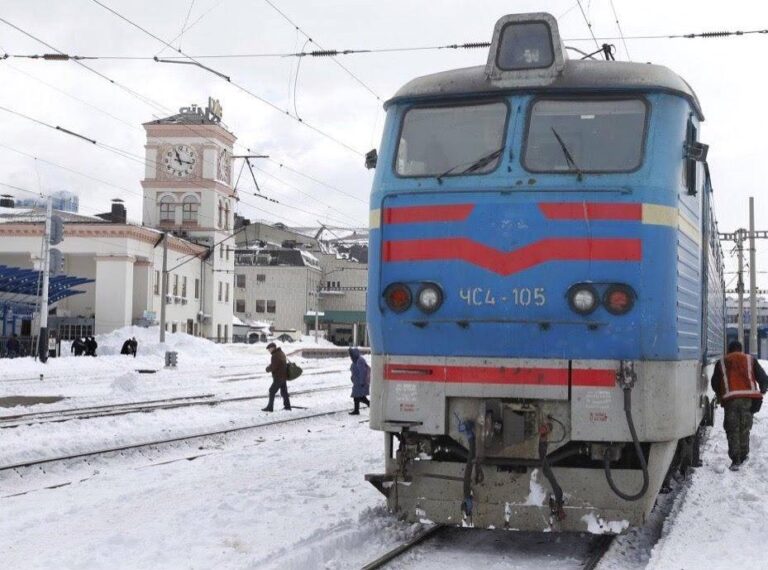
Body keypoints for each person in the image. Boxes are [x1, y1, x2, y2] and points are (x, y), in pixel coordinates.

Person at [710, 340, 768, 470]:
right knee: (744, 427)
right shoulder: (749, 359)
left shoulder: (722, 362)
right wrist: (762, 390)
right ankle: (743, 455)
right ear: (741, 349)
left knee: (732, 429)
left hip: (731, 400)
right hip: (748, 399)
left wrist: (720, 393)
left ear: (729, 350)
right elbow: (763, 378)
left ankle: (735, 459)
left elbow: (714, 382)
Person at [262, 342, 291, 412]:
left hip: (278, 377)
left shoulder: (275, 355)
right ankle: (287, 406)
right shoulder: (281, 353)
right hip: (283, 376)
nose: (269, 351)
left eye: (269, 349)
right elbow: (278, 364)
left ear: (273, 348)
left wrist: (268, 369)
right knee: (284, 392)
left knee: (272, 391)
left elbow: (274, 366)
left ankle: (270, 408)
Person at [348, 347, 371, 415]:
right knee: (358, 397)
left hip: (360, 382)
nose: (351, 356)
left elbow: (362, 372)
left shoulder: (360, 361)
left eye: (351, 354)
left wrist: (361, 382)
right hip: (357, 382)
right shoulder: (356, 360)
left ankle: (369, 406)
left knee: (360, 397)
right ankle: (356, 410)